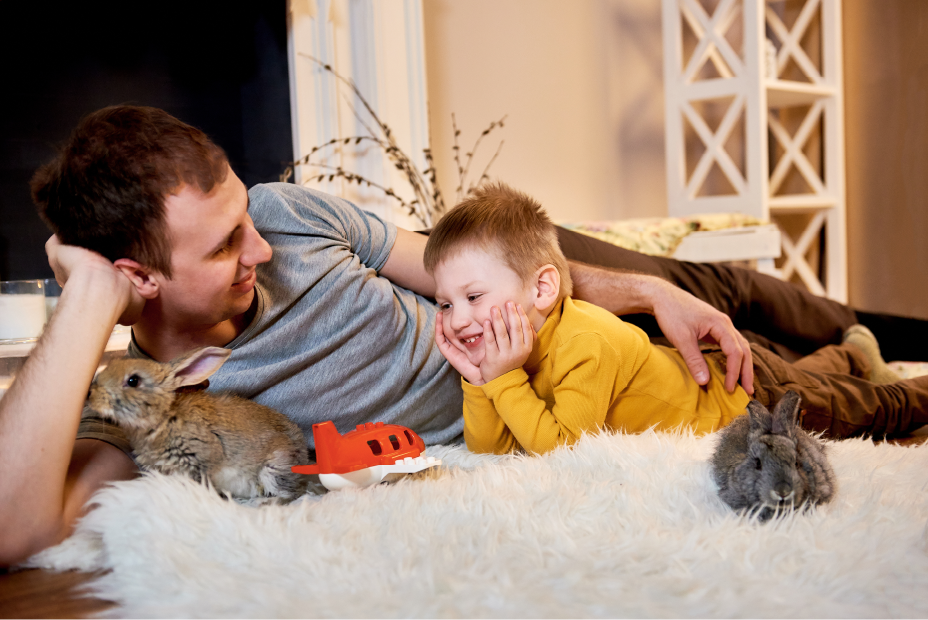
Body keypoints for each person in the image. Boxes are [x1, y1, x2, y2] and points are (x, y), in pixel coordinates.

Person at [0, 105, 919, 566]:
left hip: (555, 334)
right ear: (139, 278)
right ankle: (860, 360)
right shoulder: (158, 395)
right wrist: (86, 299)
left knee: (730, 318)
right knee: (815, 397)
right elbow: (17, 524)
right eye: (225, 244)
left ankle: (857, 344)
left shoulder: (287, 214)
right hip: (520, 403)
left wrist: (646, 290)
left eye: (245, 214)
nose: (260, 245)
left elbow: (461, 277)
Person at [423, 183, 928, 455]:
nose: (459, 319)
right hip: (724, 385)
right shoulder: (508, 352)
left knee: (872, 411)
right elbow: (492, 452)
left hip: (747, 398)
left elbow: (561, 449)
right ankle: (852, 353)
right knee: (821, 379)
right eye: (446, 303)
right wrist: (478, 381)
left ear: (542, 287)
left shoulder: (586, 341)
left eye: (473, 296)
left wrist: (503, 380)